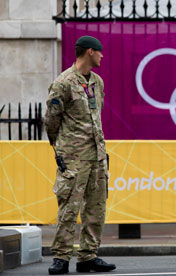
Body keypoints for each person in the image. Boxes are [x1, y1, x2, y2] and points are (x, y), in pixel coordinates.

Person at [45, 35, 116, 275]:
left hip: (97, 155)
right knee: (69, 207)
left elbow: (97, 115)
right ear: (89, 52)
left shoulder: (97, 81)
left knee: (96, 208)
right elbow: (52, 119)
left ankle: (88, 256)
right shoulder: (63, 83)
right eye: (99, 52)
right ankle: (61, 257)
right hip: (74, 156)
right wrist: (60, 147)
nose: (102, 55)